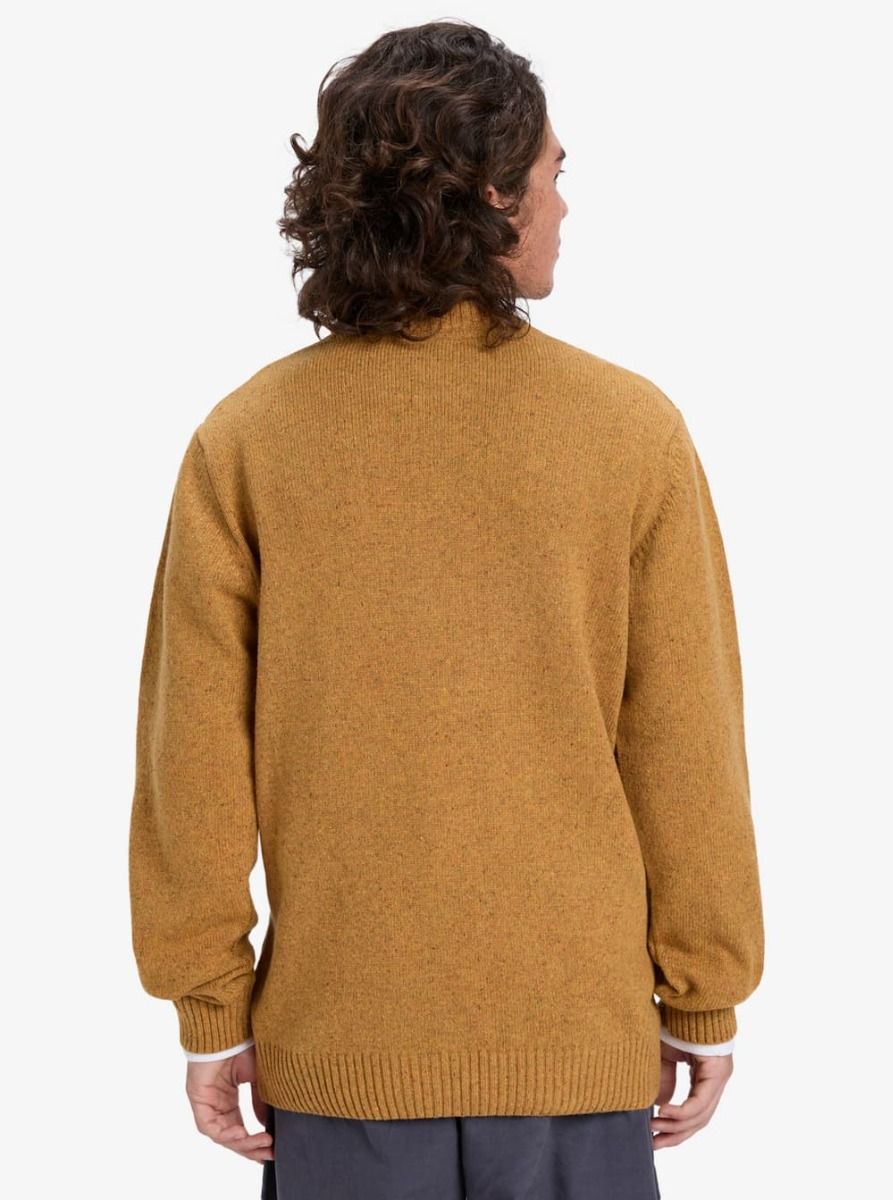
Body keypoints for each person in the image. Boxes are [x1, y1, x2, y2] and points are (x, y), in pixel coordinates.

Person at [128, 19, 764, 1200]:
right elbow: (684, 745)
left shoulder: (249, 438)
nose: (565, 202)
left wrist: (210, 1012)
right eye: (552, 172)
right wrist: (703, 993)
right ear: (489, 193)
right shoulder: (627, 432)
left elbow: (192, 763)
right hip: (572, 1050)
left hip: (340, 1056)